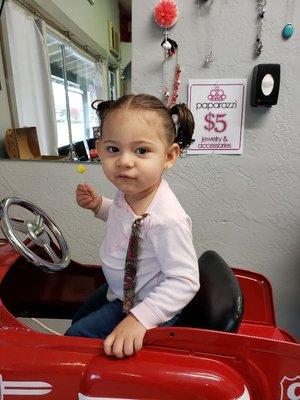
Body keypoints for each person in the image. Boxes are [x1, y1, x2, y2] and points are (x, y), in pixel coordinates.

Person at [65, 94, 200, 358]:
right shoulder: (129, 192)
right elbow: (125, 223)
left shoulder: (166, 219)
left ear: (169, 156)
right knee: (78, 317)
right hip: (120, 289)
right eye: (113, 149)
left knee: (75, 340)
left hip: (146, 303)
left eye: (141, 151)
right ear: (100, 148)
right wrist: (98, 206)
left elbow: (185, 281)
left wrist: (139, 318)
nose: (125, 161)